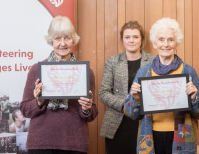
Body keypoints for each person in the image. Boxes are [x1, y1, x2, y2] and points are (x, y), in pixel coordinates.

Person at [124, 18, 199, 154]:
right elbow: (130, 113)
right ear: (155, 43)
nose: (166, 44)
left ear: (177, 43)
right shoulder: (144, 72)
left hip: (182, 138)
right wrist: (135, 99)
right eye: (161, 39)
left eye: (170, 39)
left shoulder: (188, 71)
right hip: (150, 137)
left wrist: (194, 98)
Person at [20, 16, 98, 154]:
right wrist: (39, 101)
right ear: (51, 40)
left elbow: (92, 114)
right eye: (57, 38)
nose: (63, 43)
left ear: (73, 39)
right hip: (40, 144)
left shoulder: (85, 72)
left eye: (67, 38)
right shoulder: (36, 70)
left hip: (75, 143)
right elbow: (25, 110)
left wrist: (86, 108)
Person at [99, 21, 155, 154]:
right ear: (122, 40)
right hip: (117, 123)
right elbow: (103, 92)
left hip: (145, 121)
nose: (131, 40)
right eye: (127, 37)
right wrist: (126, 105)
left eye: (135, 37)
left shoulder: (154, 61)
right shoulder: (113, 61)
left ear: (142, 39)